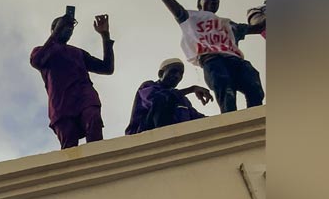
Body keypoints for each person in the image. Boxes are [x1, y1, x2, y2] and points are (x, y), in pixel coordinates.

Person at [157, 0, 265, 113]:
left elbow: (257, 28)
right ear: (200, 3)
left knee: (254, 86)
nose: (214, 1)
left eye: (216, 0)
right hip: (212, 60)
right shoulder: (190, 17)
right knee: (226, 91)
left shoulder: (228, 24)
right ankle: (230, 122)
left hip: (235, 60)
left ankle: (257, 119)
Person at [30, 10, 115, 149]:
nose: (69, 30)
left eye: (71, 28)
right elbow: (37, 61)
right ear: (54, 29)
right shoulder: (42, 51)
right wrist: (56, 32)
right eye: (65, 26)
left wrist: (105, 36)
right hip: (61, 102)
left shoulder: (77, 52)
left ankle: (98, 159)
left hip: (84, 95)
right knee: (68, 142)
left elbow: (107, 68)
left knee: (93, 120)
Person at [125, 58, 214, 135]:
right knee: (163, 99)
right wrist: (191, 89)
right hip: (146, 135)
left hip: (176, 138)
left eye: (180, 73)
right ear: (161, 74)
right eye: (173, 71)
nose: (177, 76)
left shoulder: (182, 99)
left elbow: (195, 117)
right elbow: (156, 100)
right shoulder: (148, 86)